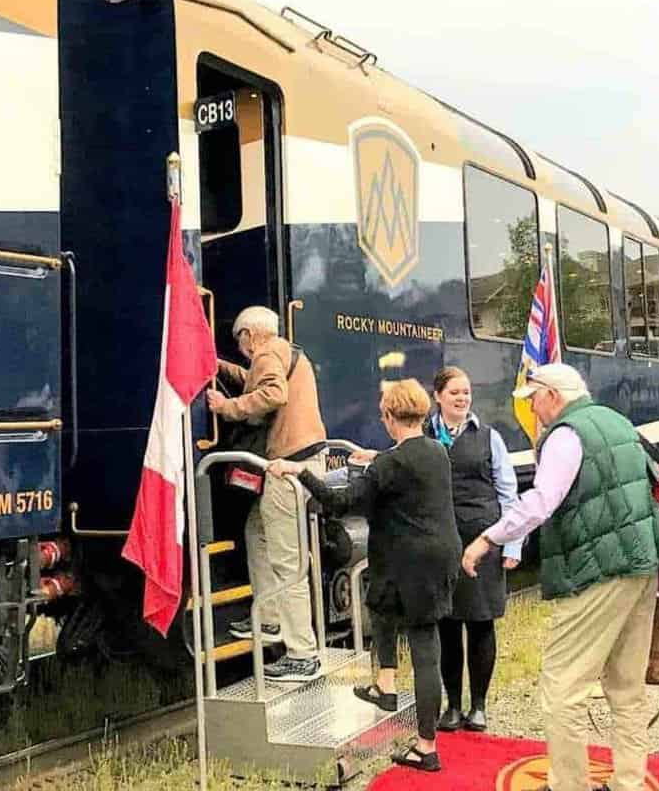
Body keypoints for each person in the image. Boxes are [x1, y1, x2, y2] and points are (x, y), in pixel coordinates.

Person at [462, 363, 659, 791]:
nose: (533, 410)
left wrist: (487, 538)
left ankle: (568, 784)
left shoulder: (566, 434)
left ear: (553, 396)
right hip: (640, 564)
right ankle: (628, 783)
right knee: (627, 686)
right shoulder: (616, 421)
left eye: (534, 399)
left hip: (596, 570)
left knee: (562, 685)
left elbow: (541, 501)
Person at [269, 379, 461, 772]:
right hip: (439, 555)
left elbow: (338, 502)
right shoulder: (436, 451)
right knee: (382, 606)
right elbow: (402, 468)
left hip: (407, 559)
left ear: (390, 417)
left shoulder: (388, 465)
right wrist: (376, 461)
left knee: (425, 648)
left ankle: (426, 747)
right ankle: (385, 687)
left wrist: (298, 473)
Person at [206, 305, 327, 682]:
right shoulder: (283, 349)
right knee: (256, 532)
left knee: (286, 560)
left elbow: (272, 392)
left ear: (249, 335)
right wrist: (222, 367)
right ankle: (271, 618)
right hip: (302, 463)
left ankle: (302, 654)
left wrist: (228, 407)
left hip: (287, 468)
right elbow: (258, 379)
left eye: (240, 341)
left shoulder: (267, 352)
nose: (242, 349)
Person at [423, 366, 522, 733]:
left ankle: (478, 705)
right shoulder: (424, 435)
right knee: (447, 627)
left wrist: (513, 542)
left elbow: (508, 493)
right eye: (454, 393)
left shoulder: (490, 437)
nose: (462, 398)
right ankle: (452, 705)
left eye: (466, 392)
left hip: (483, 542)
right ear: (438, 396)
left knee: (480, 624)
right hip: (440, 543)